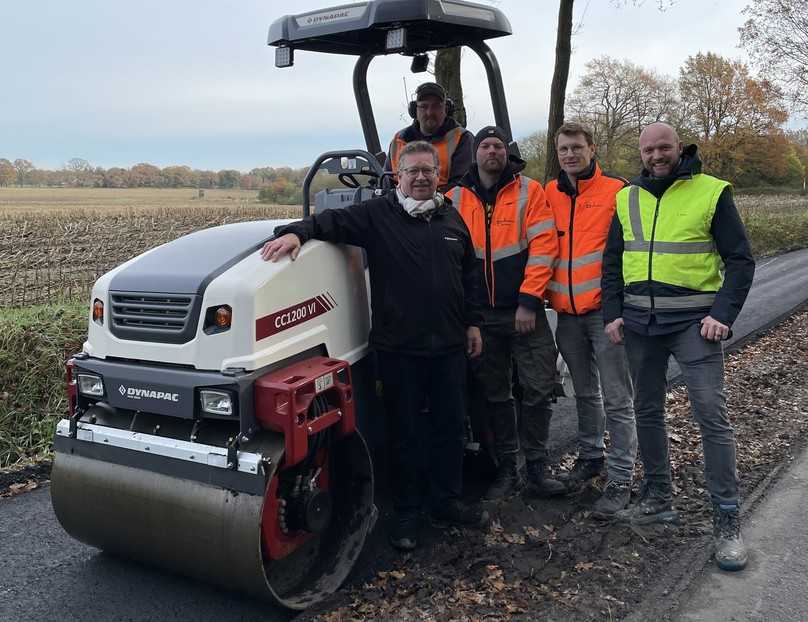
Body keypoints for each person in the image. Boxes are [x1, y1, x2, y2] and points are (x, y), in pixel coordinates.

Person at [261, 140, 487, 552]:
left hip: (450, 346)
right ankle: (408, 511)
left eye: (428, 170)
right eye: (412, 171)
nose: (421, 178)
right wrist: (295, 233)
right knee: (406, 433)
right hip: (400, 349)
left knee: (451, 427)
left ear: (438, 175)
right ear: (398, 176)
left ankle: (447, 500)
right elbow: (328, 221)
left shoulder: (451, 218)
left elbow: (470, 274)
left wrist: (473, 323)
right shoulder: (377, 215)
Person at [601, 122, 755, 571]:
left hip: (694, 324)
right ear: (641, 153)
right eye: (648, 150)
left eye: (663, 147)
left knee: (710, 414)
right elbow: (613, 261)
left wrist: (722, 315)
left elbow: (740, 260)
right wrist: (613, 313)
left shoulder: (711, 191)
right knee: (646, 410)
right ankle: (658, 496)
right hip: (639, 324)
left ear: (679, 147)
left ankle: (727, 518)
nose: (656, 156)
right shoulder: (627, 197)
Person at [447, 126, 565, 502]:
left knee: (539, 387)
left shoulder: (530, 191)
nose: (492, 151)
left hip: (523, 310)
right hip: (481, 317)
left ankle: (537, 467)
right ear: (476, 153)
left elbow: (544, 246)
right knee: (494, 394)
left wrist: (529, 300)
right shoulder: (453, 197)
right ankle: (508, 468)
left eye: (498, 145)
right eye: (485, 145)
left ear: (506, 152)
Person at [545, 122, 637, 519]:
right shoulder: (549, 193)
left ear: (592, 148)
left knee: (618, 398)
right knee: (584, 392)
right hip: (567, 315)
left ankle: (621, 478)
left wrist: (624, 306)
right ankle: (590, 457)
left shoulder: (617, 190)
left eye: (576, 147)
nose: (570, 154)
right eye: (563, 149)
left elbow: (632, 249)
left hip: (606, 314)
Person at [385, 82, 473, 192]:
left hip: (444, 201)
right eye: (424, 106)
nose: (429, 112)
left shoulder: (461, 138)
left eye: (436, 106)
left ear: (446, 109)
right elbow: (386, 181)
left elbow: (462, 187)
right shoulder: (398, 140)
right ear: (414, 110)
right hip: (399, 201)